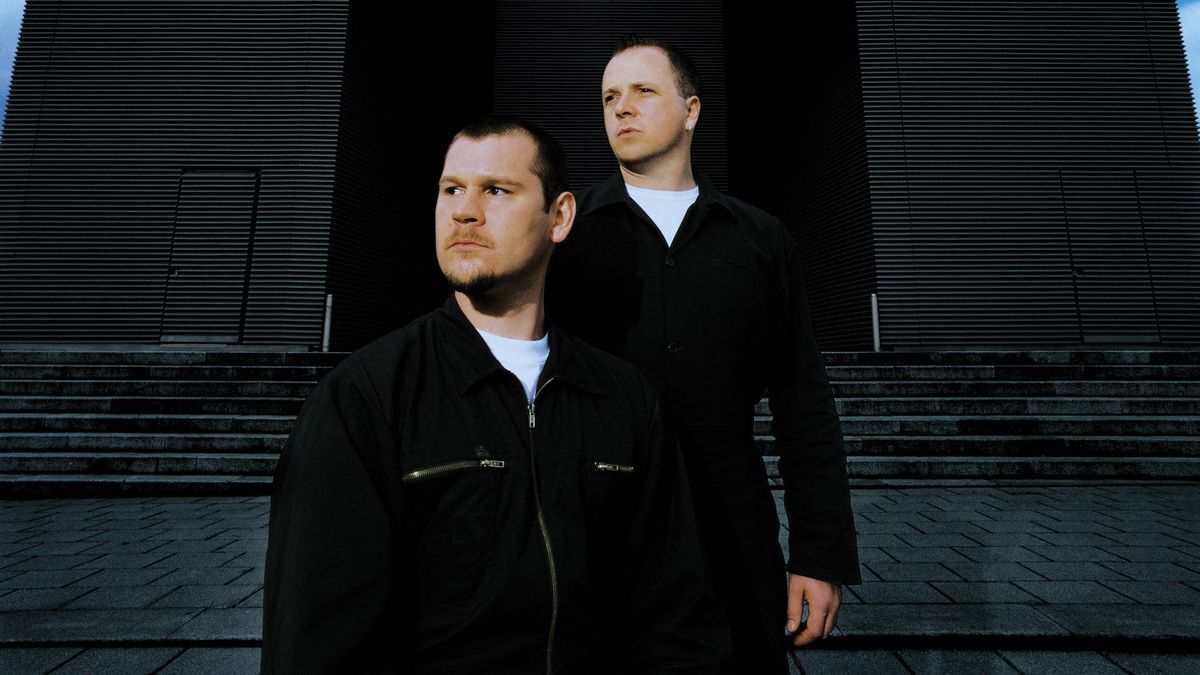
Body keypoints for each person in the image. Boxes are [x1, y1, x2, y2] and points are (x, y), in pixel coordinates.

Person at [262, 118, 727, 674]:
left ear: (559, 217)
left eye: (496, 190)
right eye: (451, 189)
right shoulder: (366, 397)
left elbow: (678, 614)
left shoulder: (624, 398)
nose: (464, 211)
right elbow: (314, 641)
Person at [547, 37, 861, 673]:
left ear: (691, 110)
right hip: (601, 531)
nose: (621, 108)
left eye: (643, 91)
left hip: (733, 531)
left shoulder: (759, 238)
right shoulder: (566, 234)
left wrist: (820, 555)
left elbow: (803, 399)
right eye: (609, 97)